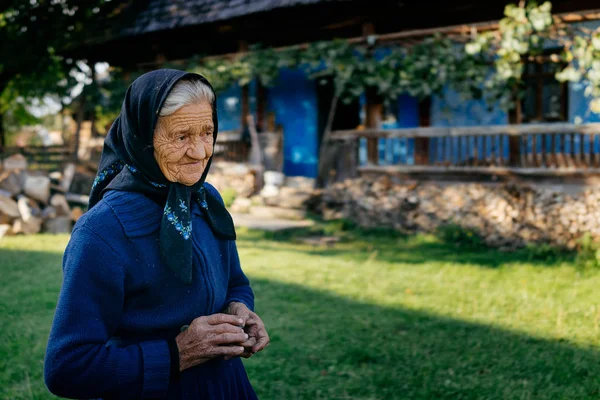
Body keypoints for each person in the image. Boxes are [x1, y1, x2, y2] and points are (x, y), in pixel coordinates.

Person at [44, 69, 269, 399]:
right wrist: (179, 353)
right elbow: (67, 368)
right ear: (143, 139)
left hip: (227, 387)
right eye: (180, 136)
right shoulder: (102, 231)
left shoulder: (207, 200)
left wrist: (239, 308)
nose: (200, 152)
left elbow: (235, 281)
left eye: (207, 132)